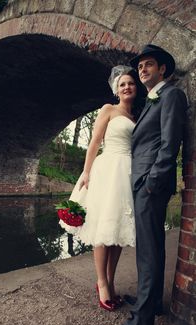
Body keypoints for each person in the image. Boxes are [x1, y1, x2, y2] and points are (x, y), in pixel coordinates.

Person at [100, 44, 188, 325]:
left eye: (148, 65)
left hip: (150, 185)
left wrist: (152, 181)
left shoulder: (171, 95)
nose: (142, 70)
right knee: (150, 249)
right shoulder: (151, 101)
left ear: (163, 69)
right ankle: (149, 304)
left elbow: (169, 143)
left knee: (148, 253)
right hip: (142, 184)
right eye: (139, 67)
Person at [59, 65, 145, 311]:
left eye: (130, 83)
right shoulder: (109, 110)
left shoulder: (136, 117)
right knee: (104, 226)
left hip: (127, 173)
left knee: (117, 232)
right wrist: (86, 172)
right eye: (122, 84)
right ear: (116, 90)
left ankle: (111, 281)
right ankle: (101, 283)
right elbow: (95, 142)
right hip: (108, 170)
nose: (127, 87)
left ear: (135, 88)